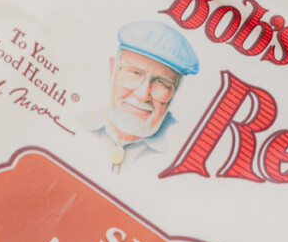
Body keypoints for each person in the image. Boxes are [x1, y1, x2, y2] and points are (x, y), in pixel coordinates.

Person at [81, 20, 199, 173]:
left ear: (175, 91)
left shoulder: (180, 155)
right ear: (113, 69)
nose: (142, 95)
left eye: (161, 83)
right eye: (135, 73)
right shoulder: (80, 121)